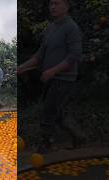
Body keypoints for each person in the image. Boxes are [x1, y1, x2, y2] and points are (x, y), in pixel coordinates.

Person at [17, 0, 86, 153]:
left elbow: (75, 55)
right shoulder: (51, 28)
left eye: (57, 3)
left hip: (64, 78)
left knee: (48, 111)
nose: (53, 7)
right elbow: (40, 55)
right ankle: (79, 137)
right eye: (51, 4)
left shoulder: (71, 27)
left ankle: (46, 145)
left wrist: (52, 71)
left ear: (66, 6)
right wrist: (22, 67)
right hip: (50, 78)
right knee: (58, 113)